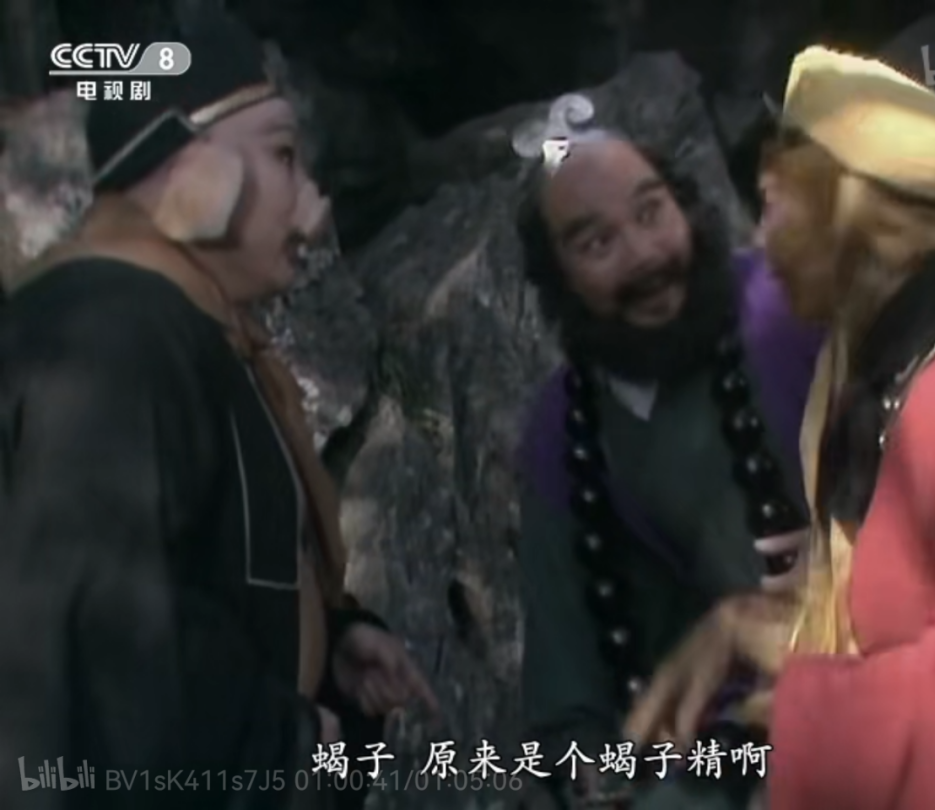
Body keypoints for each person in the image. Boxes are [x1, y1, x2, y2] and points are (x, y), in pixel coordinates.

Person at [0, 12, 437, 808]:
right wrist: (282, 740)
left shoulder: (173, 327)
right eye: (282, 155)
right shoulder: (113, 333)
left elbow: (190, 573)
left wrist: (329, 643)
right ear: (191, 171)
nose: (313, 206)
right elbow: (110, 637)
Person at [625, 45, 935, 809]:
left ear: (842, 214)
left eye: (774, 204)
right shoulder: (882, 378)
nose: (761, 241)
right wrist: (746, 626)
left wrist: (814, 717)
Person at [512, 99, 823, 809]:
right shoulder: (562, 437)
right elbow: (570, 711)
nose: (646, 255)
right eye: (597, 243)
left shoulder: (795, 306)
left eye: (652, 212)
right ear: (557, 283)